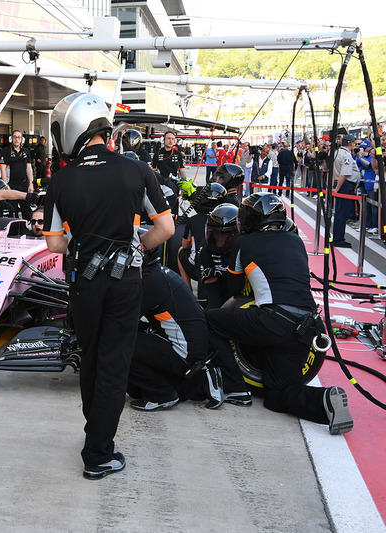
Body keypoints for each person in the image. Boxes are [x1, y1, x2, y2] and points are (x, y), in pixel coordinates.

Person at [43, 92, 174, 480]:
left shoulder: (61, 180)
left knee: (91, 358)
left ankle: (94, 432)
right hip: (124, 283)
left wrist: (83, 242)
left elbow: (53, 243)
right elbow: (165, 228)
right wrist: (136, 247)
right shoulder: (137, 171)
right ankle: (98, 452)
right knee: (115, 363)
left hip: (83, 282)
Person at [206, 192, 353, 434]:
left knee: (211, 319)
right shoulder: (296, 242)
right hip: (309, 326)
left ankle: (234, 387)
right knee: (276, 395)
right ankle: (324, 400)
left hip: (273, 320)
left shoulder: (245, 243)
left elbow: (233, 289)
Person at [128, 249, 222, 412]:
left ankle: (161, 395)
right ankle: (201, 381)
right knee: (136, 389)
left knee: (120, 345)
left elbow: (124, 321)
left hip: (184, 351)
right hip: (189, 347)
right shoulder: (158, 273)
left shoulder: (149, 281)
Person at [0, 130, 34, 219]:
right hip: (11, 184)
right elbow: (3, 169)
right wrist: (6, 185)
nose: (16, 139)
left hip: (23, 184)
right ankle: (14, 228)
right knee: (12, 209)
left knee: (26, 209)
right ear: (11, 138)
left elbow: (29, 168)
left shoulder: (26, 151)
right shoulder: (5, 151)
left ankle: (28, 227)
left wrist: (31, 184)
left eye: (19, 137)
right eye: (14, 137)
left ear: (22, 139)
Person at [331, 134, 360, 248]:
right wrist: (337, 189)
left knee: (339, 212)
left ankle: (337, 237)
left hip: (341, 184)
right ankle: (339, 239)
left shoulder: (337, 152)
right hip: (345, 186)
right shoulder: (346, 155)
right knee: (342, 213)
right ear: (351, 144)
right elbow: (344, 174)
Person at [355, 139, 378, 235]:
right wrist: (359, 156)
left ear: (369, 147)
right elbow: (357, 163)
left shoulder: (373, 156)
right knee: (365, 205)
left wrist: (361, 157)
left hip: (371, 182)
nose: (363, 149)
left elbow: (369, 165)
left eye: (365, 148)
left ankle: (375, 225)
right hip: (363, 182)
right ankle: (366, 224)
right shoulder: (363, 156)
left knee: (373, 205)